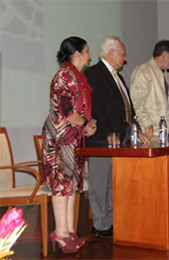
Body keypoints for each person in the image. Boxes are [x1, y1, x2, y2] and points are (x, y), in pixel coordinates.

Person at [85, 36, 149, 238]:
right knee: (100, 184)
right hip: (102, 141)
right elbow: (94, 109)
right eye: (122, 54)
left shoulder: (118, 77)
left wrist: (135, 132)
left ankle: (111, 222)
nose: (125, 58)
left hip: (120, 141)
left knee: (114, 184)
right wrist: (105, 136)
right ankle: (100, 225)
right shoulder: (94, 74)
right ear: (111, 53)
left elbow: (126, 110)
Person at [42, 36, 96, 253]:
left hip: (74, 138)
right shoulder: (65, 76)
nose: (90, 55)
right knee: (61, 183)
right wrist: (85, 123)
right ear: (77, 54)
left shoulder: (78, 76)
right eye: (87, 51)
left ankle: (70, 231)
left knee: (73, 184)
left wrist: (88, 125)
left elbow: (79, 113)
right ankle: (60, 233)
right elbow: (67, 111)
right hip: (60, 138)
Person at [130, 40, 169, 138]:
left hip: (163, 132)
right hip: (151, 133)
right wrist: (146, 123)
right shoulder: (143, 71)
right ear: (164, 55)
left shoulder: (162, 74)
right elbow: (137, 101)